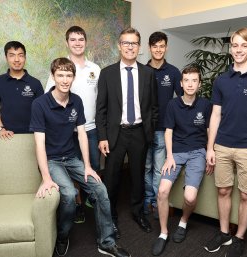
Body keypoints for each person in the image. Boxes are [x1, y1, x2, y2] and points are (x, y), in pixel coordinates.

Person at [30, 58, 130, 257]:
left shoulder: (76, 101)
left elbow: (82, 134)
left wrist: (88, 166)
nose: (65, 80)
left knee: (100, 189)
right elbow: (39, 144)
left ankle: (106, 242)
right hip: (52, 160)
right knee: (67, 194)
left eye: (68, 75)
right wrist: (47, 178)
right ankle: (62, 235)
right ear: (53, 77)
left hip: (71, 157)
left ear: (73, 78)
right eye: (60, 75)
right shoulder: (40, 104)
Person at [204, 27, 247, 257]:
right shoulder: (222, 80)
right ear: (230, 47)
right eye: (235, 45)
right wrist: (210, 147)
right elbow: (215, 116)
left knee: (246, 195)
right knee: (223, 191)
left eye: (244, 45)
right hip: (222, 145)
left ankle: (239, 237)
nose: (239, 50)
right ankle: (224, 233)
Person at [96, 27, 159, 239]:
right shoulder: (107, 74)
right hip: (116, 134)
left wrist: (149, 132)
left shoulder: (149, 73)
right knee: (111, 178)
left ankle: (138, 212)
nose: (130, 47)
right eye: (126, 43)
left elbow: (153, 107)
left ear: (139, 47)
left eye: (134, 43)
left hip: (139, 133)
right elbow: (101, 109)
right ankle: (110, 217)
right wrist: (103, 136)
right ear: (119, 45)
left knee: (138, 176)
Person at [151, 67, 212, 256]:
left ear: (199, 84)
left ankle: (183, 222)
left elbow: (210, 130)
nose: (190, 84)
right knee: (162, 191)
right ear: (181, 83)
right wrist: (169, 156)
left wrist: (210, 152)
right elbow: (168, 131)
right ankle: (163, 233)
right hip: (176, 152)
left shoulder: (205, 105)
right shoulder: (172, 104)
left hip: (197, 152)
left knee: (190, 197)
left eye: (194, 80)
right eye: (187, 80)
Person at [45, 26, 101, 224]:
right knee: (71, 169)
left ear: (86, 42)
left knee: (92, 167)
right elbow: (48, 100)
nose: (77, 43)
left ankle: (90, 202)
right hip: (67, 132)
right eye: (73, 39)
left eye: (81, 39)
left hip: (90, 129)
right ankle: (77, 205)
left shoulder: (95, 69)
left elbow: (100, 100)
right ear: (67, 42)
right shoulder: (61, 70)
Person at [144, 31, 182, 219]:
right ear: (149, 48)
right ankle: (147, 199)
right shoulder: (142, 71)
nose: (158, 50)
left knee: (159, 169)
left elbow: (183, 99)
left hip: (163, 129)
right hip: (143, 129)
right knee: (146, 167)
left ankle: (156, 202)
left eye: (161, 46)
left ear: (166, 48)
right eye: (155, 46)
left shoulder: (173, 72)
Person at [0, 41, 44, 139]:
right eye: (12, 55)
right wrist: (1, 129)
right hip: (7, 135)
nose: (17, 59)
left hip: (32, 136)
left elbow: (42, 111)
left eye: (20, 55)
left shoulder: (35, 83)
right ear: (6, 58)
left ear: (25, 58)